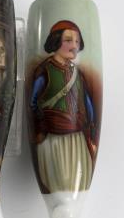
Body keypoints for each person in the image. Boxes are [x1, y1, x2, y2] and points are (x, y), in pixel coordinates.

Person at [30, 20, 96, 193]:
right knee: (58, 181)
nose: (74, 46)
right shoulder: (45, 70)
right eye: (68, 40)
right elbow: (33, 102)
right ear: (55, 41)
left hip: (77, 137)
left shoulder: (77, 73)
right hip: (53, 138)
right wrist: (41, 127)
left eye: (77, 41)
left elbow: (87, 102)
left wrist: (91, 129)